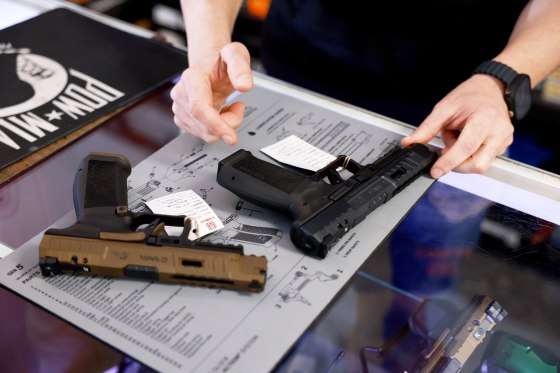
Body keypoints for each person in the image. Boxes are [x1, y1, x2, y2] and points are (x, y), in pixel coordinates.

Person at [170, 0, 560, 179]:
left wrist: (502, 78)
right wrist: (207, 52)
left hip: (458, 111)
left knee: (425, 274)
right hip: (296, 73)